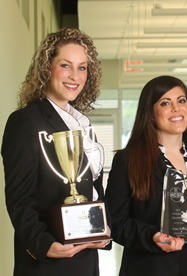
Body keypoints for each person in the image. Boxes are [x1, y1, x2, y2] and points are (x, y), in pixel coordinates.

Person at [2, 29, 108, 275]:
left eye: (82, 68)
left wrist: (105, 228)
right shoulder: (25, 122)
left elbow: (93, 189)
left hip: (86, 256)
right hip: (50, 262)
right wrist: (44, 244)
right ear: (46, 68)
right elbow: (19, 198)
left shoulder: (81, 123)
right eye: (65, 65)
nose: (75, 76)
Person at [105, 75, 187, 276]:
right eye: (165, 103)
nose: (176, 109)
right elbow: (114, 221)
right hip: (153, 267)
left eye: (181, 101)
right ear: (151, 114)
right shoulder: (128, 160)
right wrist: (152, 236)